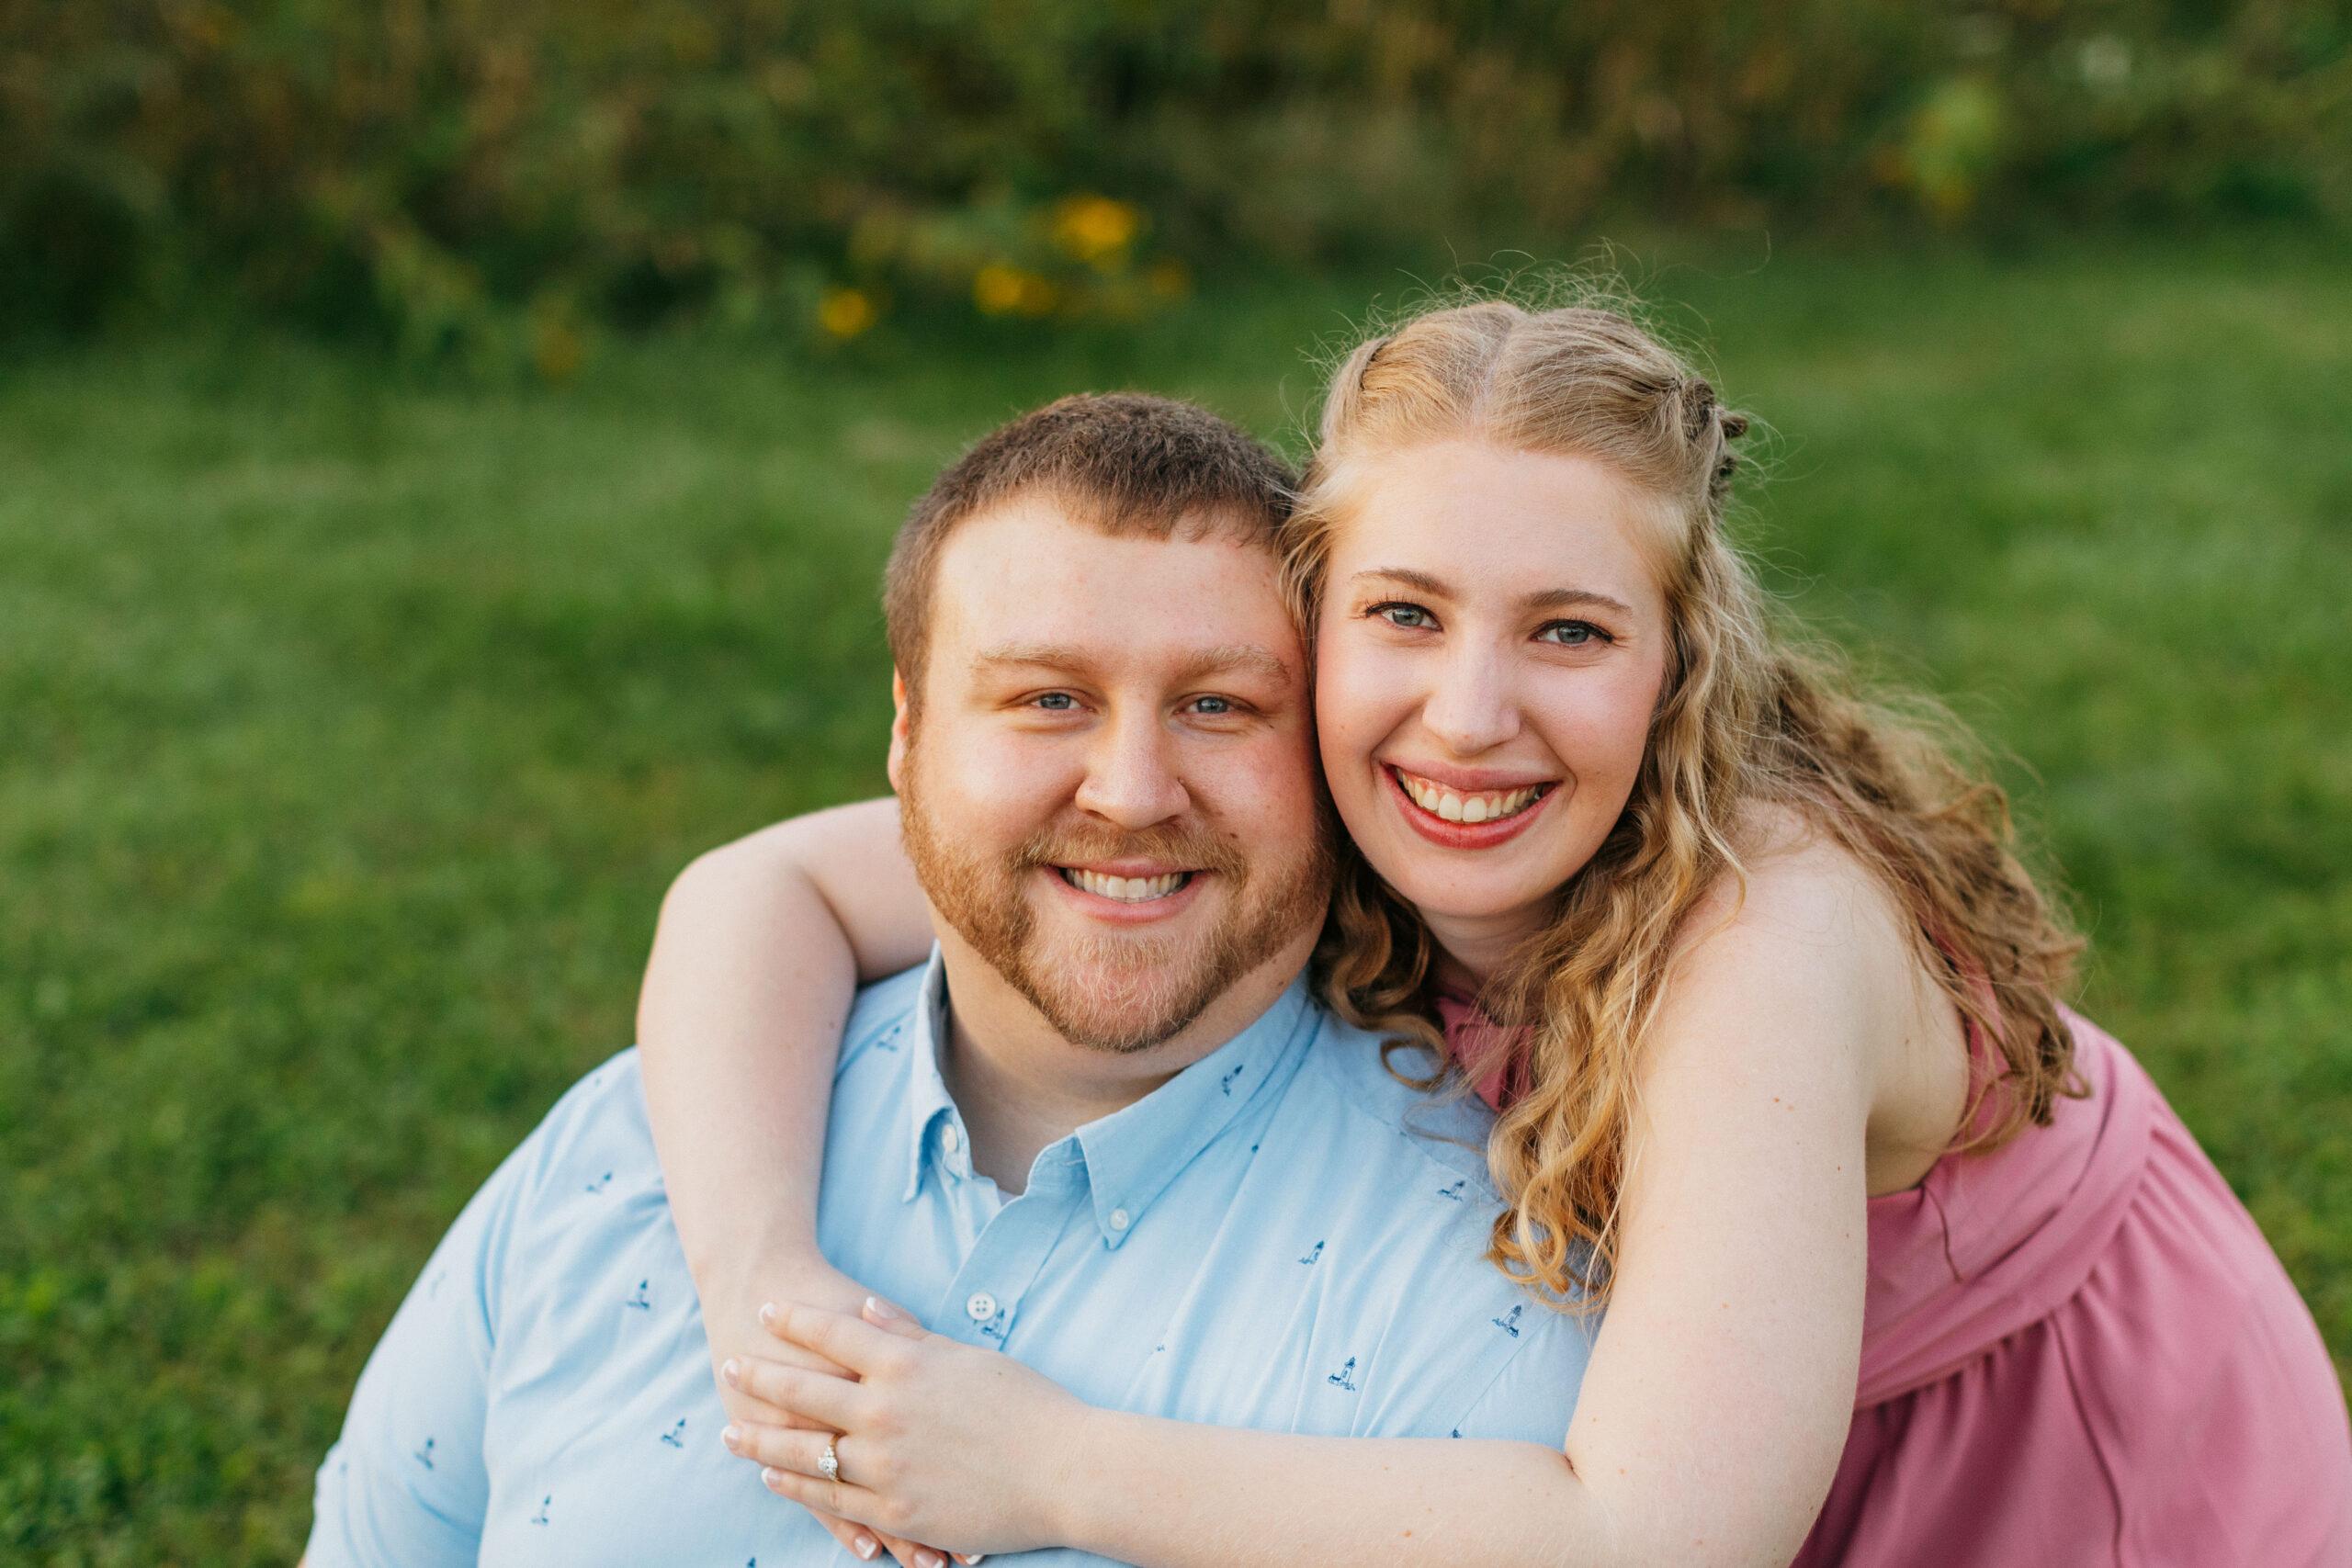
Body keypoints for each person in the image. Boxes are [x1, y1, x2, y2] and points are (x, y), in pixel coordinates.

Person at [647, 299, 2352, 1566]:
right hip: (1713, 1418)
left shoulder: (1763, 939)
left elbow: (1656, 1539)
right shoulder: (1309, 800)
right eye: (1404, 615)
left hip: (2054, 1458)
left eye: (1567, 632)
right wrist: (761, 1282)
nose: (1468, 717)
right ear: (1310, 627)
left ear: (1679, 664)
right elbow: (757, 893)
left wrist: (1042, 1465)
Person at [300, 393, 1604, 1567]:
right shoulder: (629, 1155)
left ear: (1322, 753)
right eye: (1047, 699)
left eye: (1218, 706)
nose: (1134, 793)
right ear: (907, 735)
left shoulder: (1476, 1309)